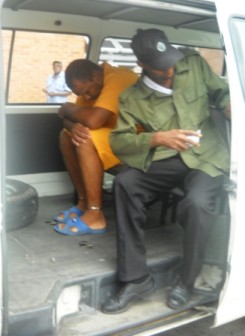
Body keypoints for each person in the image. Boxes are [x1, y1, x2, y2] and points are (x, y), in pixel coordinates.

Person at [102, 28, 231, 313]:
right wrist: (156, 138)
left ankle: (186, 280)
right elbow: (119, 141)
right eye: (162, 69)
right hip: (167, 157)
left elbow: (221, 92)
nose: (171, 70)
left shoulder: (193, 63)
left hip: (207, 156)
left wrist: (228, 105)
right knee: (125, 183)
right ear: (143, 65)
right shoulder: (132, 98)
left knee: (196, 202)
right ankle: (135, 279)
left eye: (172, 62)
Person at [53, 59, 138, 235]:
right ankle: (84, 202)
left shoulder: (118, 78)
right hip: (115, 135)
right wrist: (71, 125)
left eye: (87, 92)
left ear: (95, 76)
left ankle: (95, 214)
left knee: (86, 137)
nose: (87, 98)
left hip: (137, 139)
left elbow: (93, 120)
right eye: (81, 95)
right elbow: (70, 121)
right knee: (67, 136)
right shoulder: (89, 86)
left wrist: (67, 107)